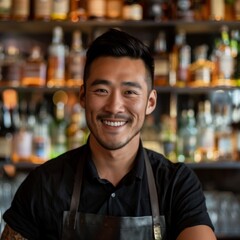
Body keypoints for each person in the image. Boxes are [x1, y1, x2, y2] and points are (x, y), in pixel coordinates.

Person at [1, 28, 216, 240]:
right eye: (102, 90)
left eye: (129, 92)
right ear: (83, 96)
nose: (114, 107)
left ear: (150, 102)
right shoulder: (43, 183)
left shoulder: (177, 184)